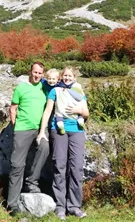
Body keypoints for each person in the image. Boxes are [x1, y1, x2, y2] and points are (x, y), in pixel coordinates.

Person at [37, 66, 89, 220]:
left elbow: (86, 113)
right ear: (61, 77)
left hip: (77, 131)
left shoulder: (79, 91)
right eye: (65, 76)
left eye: (70, 76)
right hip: (58, 130)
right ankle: (60, 207)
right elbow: (47, 111)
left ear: (74, 77)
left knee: (76, 168)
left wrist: (78, 111)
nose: (67, 78)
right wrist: (41, 132)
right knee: (59, 166)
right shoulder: (55, 91)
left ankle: (74, 206)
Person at [7, 62, 50, 216]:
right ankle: (12, 204)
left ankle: (31, 182)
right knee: (17, 164)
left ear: (42, 74)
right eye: (35, 72)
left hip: (39, 130)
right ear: (30, 72)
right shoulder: (21, 88)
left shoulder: (44, 88)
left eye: (39, 73)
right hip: (22, 129)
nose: (36, 75)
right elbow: (13, 108)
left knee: (45, 147)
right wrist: (15, 126)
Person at [43, 69, 85, 134]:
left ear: (58, 79)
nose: (51, 81)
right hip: (51, 108)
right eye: (49, 79)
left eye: (53, 79)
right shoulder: (47, 84)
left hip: (59, 110)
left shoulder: (62, 86)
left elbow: (80, 99)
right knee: (50, 122)